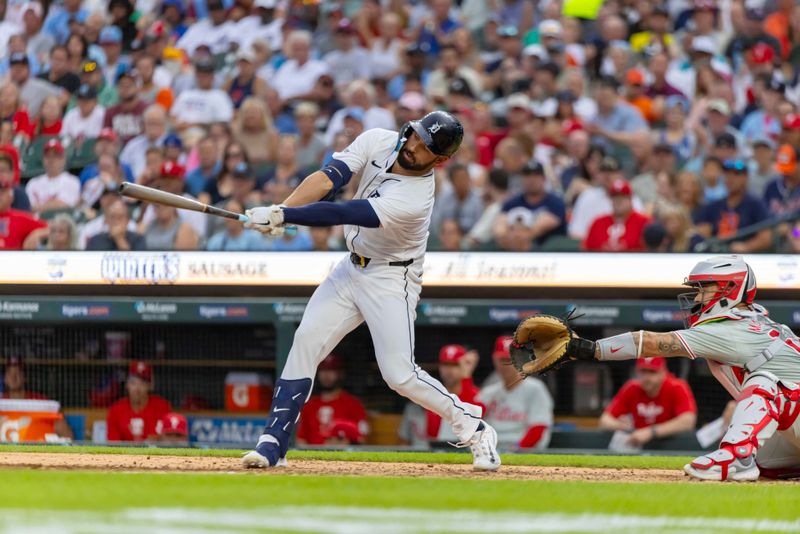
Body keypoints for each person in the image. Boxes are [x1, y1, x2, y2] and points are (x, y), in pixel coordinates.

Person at [241, 111, 501, 471]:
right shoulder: (377, 139)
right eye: (415, 136)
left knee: (399, 375)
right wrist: (282, 208)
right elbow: (329, 178)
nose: (414, 146)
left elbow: (347, 211)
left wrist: (286, 218)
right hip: (351, 267)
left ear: (440, 161)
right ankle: (273, 442)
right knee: (306, 341)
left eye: (426, 147)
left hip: (391, 278)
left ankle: (473, 425)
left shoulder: (416, 198)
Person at [531, 255, 800, 481]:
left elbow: (652, 342)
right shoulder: (755, 323)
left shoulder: (732, 328)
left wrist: (588, 348)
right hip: (793, 427)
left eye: (703, 288)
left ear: (729, 289)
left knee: (766, 381)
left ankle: (736, 458)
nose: (696, 297)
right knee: (765, 461)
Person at [599, 357, 697, 448]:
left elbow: (688, 421)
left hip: (670, 445)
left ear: (663, 372)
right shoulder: (631, 388)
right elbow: (605, 420)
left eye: (652, 372)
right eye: (643, 371)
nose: (647, 377)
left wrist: (650, 432)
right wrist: (621, 426)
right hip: (639, 444)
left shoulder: (677, 386)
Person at [478, 336, 553, 451]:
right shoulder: (488, 392)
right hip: (491, 450)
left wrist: (516, 450)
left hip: (524, 453)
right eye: (502, 360)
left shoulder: (535, 389)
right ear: (494, 360)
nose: (506, 366)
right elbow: (470, 422)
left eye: (510, 360)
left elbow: (538, 428)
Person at [696, 159, 772, 253]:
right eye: (727, 174)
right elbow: (701, 233)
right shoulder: (713, 206)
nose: (730, 178)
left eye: (736, 174)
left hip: (746, 260)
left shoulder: (755, 205)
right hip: (716, 258)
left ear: (746, 177)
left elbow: (766, 238)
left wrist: (747, 246)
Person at [295, 354, 369, 446]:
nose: (326, 375)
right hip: (313, 457)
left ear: (340, 374)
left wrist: (344, 444)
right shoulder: (309, 405)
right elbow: (301, 440)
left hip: (343, 457)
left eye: (331, 370)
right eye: (323, 370)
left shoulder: (353, 404)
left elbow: (362, 439)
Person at [494, 161, 566, 249]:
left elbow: (542, 226)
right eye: (527, 175)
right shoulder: (512, 203)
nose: (531, 179)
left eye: (536, 175)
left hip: (548, 253)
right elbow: (500, 228)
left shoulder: (555, 202)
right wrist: (505, 236)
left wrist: (520, 236)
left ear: (544, 179)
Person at [2, 357, 74, 439]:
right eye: (9, 373)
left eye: (18, 373)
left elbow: (67, 435)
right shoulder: (1, 401)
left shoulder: (40, 401)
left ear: (25, 377)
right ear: (5, 378)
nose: (13, 377)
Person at [425, 344, 483, 442]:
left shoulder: (478, 395)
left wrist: (466, 377)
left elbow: (469, 424)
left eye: (455, 365)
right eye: (445, 364)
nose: (449, 370)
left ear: (464, 366)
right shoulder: (435, 396)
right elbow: (432, 435)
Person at [106, 361, 172, 442]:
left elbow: (170, 440)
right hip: (126, 454)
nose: (137, 388)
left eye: (142, 383)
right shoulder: (116, 410)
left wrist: (156, 440)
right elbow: (113, 443)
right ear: (127, 385)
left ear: (150, 386)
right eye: (133, 383)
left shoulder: (162, 406)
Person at [584, 179, 651, 252]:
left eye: (623, 197)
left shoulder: (644, 222)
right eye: (615, 197)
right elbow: (586, 249)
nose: (618, 201)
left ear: (630, 200)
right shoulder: (598, 223)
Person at [24, 139, 80, 212]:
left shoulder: (72, 181)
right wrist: (52, 204)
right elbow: (28, 208)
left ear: (63, 159)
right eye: (47, 156)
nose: (51, 160)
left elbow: (64, 207)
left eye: (55, 156)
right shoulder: (33, 183)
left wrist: (40, 207)